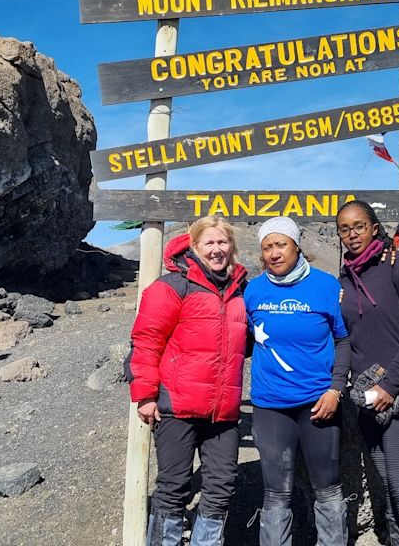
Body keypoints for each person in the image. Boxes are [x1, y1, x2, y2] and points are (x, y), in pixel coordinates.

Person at [126, 216, 248, 546]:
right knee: (174, 486)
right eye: (209, 243)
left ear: (232, 247)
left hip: (222, 413)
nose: (217, 249)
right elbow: (146, 341)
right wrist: (146, 395)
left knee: (221, 487)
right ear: (193, 247)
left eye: (222, 242)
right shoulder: (172, 286)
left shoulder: (240, 291)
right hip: (176, 407)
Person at [335, 200, 399, 546]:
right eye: (344, 229)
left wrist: (391, 384)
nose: (352, 235)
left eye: (358, 226)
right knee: (388, 484)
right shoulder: (346, 277)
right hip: (368, 394)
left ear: (375, 226)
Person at [244, 217, 351, 546]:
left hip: (319, 403)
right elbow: (243, 339)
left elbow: (343, 341)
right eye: (267, 247)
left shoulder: (326, 286)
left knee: (328, 487)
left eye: (281, 245)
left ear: (296, 247)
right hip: (270, 406)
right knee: (276, 493)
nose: (274, 253)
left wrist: (336, 389)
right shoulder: (254, 290)